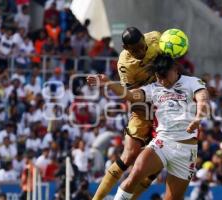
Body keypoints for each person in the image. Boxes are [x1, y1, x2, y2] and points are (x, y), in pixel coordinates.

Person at [87, 54, 210, 200]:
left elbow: (203, 99)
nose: (162, 81)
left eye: (165, 76)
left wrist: (197, 118)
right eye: (159, 77)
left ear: (175, 69)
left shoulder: (192, 82)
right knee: (135, 174)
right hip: (162, 143)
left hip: (186, 151)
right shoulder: (154, 88)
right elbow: (129, 95)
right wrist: (108, 83)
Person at [90, 27, 161, 200]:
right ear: (125, 48)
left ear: (145, 39)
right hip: (143, 105)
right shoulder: (124, 63)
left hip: (166, 104)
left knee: (156, 166)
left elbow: (175, 67)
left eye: (142, 47)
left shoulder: (156, 39)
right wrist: (151, 116)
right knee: (129, 155)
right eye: (135, 50)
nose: (141, 52)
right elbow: (132, 96)